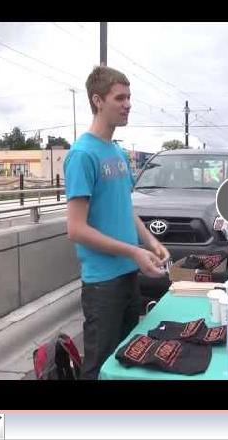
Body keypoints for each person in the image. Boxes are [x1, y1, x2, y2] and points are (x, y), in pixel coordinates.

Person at [65, 66, 170, 380]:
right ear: (98, 100)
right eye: (119, 98)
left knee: (125, 363)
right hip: (102, 284)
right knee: (99, 369)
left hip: (127, 277)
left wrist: (150, 242)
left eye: (129, 98)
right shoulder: (82, 155)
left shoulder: (117, 153)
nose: (128, 105)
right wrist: (133, 252)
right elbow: (76, 228)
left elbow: (125, 209)